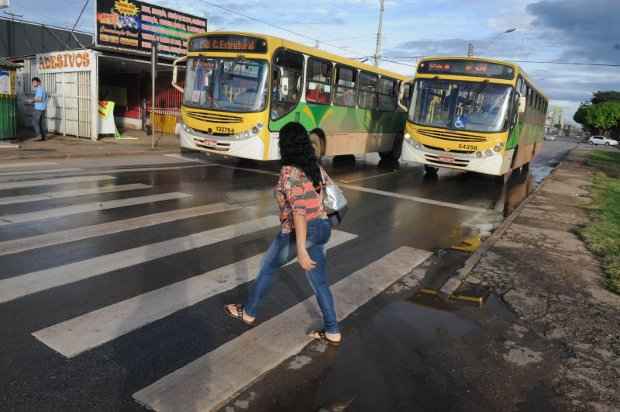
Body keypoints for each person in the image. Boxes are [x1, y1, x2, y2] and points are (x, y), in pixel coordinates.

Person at [225, 123, 342, 346]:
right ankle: (332, 330)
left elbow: (299, 212)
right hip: (322, 227)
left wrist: (300, 249)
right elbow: (326, 195)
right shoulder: (314, 167)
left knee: (268, 267)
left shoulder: (289, 172)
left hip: (301, 230)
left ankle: (248, 312)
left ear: (285, 144)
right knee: (319, 282)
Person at [31, 77, 48, 141]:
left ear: (38, 82)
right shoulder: (42, 89)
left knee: (34, 122)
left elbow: (39, 99)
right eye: (32, 82)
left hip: (39, 108)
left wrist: (32, 100)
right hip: (43, 108)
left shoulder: (39, 89)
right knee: (40, 123)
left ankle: (38, 135)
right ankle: (44, 136)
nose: (33, 83)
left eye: (34, 82)